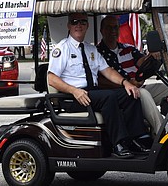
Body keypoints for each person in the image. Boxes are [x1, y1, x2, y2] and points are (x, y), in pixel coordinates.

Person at [47, 13, 146, 158]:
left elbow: (108, 71)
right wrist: (74, 91)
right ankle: (118, 143)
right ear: (69, 26)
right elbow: (51, 78)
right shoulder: (62, 49)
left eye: (82, 22)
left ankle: (136, 138)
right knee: (109, 96)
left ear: (87, 25)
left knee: (130, 94)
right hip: (72, 97)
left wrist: (126, 83)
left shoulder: (91, 49)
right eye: (74, 22)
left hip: (91, 94)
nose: (78, 25)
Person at [96, 15, 168, 137]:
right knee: (143, 94)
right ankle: (162, 134)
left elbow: (143, 63)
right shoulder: (97, 53)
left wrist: (153, 57)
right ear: (102, 30)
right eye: (109, 28)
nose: (113, 31)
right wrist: (128, 84)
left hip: (136, 87)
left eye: (115, 27)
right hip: (118, 94)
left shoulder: (128, 49)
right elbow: (99, 81)